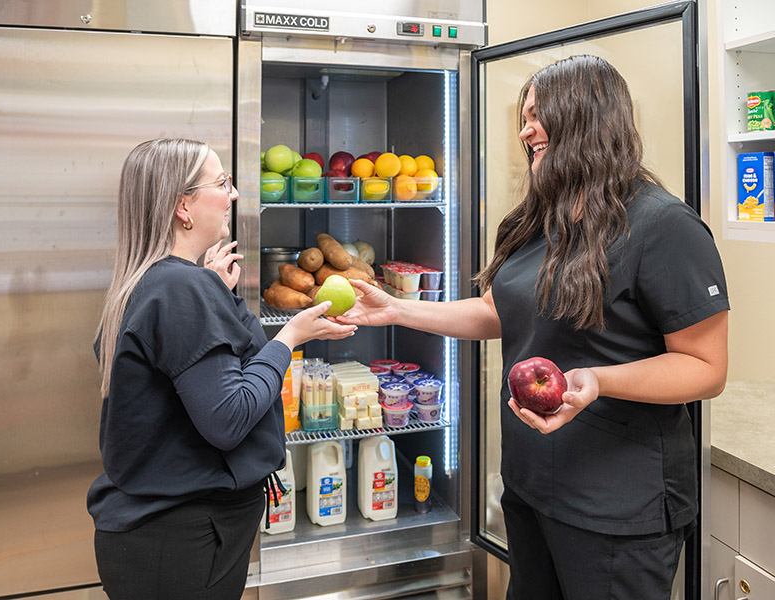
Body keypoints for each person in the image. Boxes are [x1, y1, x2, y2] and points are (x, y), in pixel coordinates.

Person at [336, 55, 729, 600]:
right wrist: (396, 311)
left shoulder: (664, 226)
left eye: (538, 114)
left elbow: (706, 368)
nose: (525, 131)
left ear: (586, 115)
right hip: (530, 483)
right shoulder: (542, 218)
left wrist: (598, 380)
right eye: (525, 117)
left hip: (615, 502)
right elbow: (499, 312)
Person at [87, 138, 357, 600]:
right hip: (179, 542)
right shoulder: (180, 289)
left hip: (162, 534)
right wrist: (290, 338)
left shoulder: (161, 279)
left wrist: (213, 287)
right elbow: (229, 418)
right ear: (182, 207)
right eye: (222, 182)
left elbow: (192, 370)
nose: (233, 195)